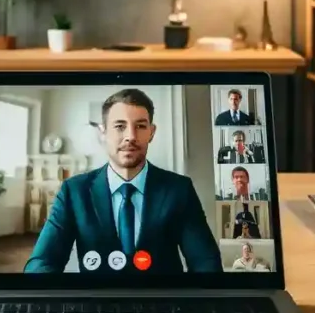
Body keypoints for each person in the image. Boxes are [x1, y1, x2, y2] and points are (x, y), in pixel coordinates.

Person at [24, 89, 222, 274]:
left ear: (151, 132)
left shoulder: (179, 189)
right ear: (103, 133)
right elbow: (42, 262)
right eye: (120, 126)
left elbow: (205, 261)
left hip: (162, 297)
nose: (130, 137)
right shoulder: (74, 191)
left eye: (140, 126)